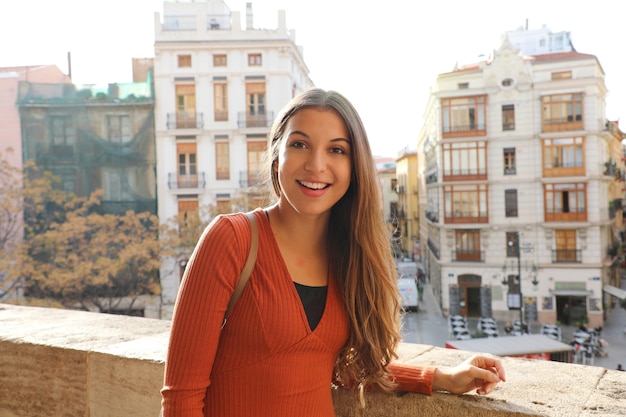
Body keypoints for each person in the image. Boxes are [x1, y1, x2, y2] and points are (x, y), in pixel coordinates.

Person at [160, 88, 506, 417]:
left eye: (336, 150)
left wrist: (440, 378)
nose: (316, 164)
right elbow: (181, 398)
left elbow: (343, 369)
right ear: (276, 155)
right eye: (300, 144)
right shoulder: (231, 240)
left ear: (354, 168)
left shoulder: (350, 256)